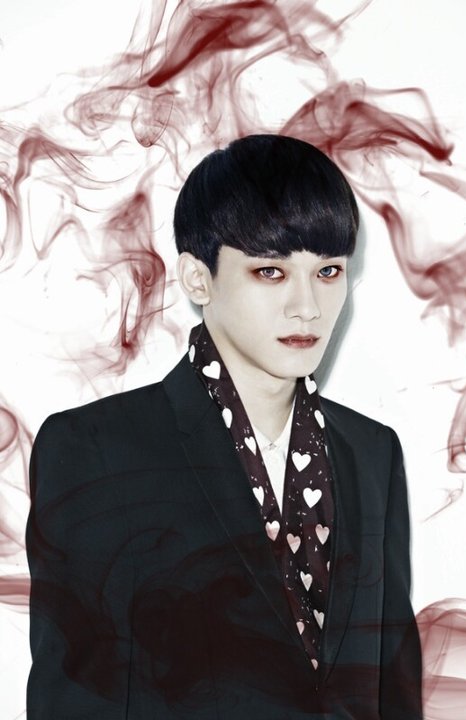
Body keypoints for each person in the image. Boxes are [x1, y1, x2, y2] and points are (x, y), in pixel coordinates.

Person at [26, 134, 423, 719]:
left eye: (328, 271)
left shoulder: (372, 452)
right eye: (271, 272)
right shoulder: (97, 449)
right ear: (197, 278)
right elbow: (74, 700)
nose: (308, 306)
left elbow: (393, 689)